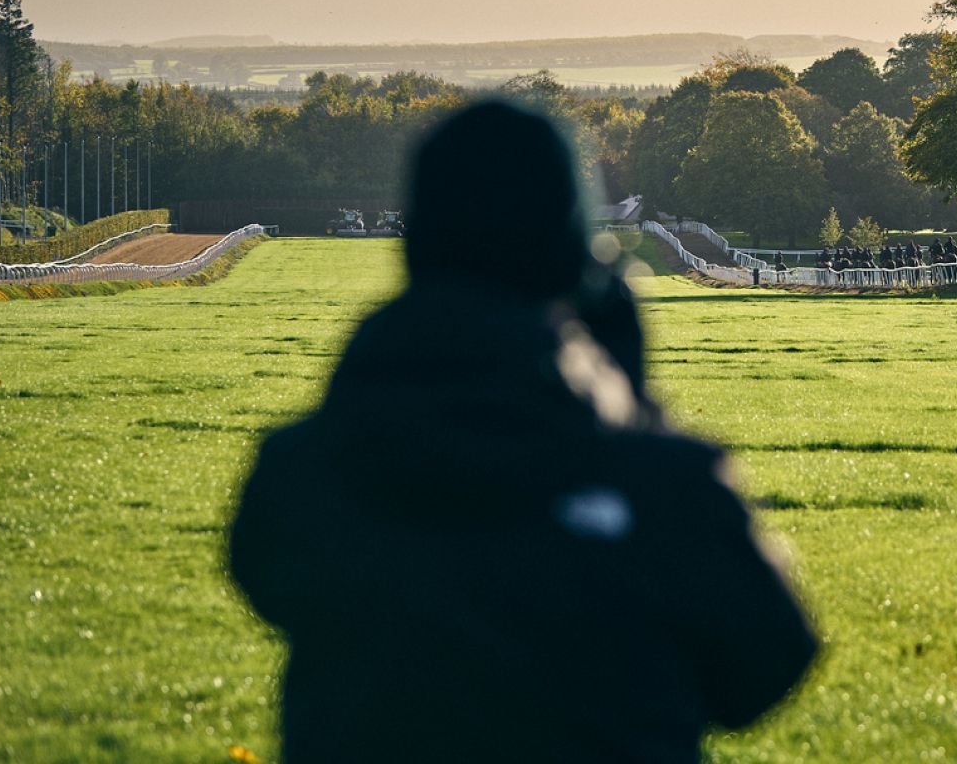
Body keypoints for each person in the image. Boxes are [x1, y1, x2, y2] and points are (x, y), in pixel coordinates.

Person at [229, 101, 817, 763]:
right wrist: (631, 404)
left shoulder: (297, 471)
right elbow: (764, 667)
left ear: (420, 241)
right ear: (566, 251)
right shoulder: (653, 485)